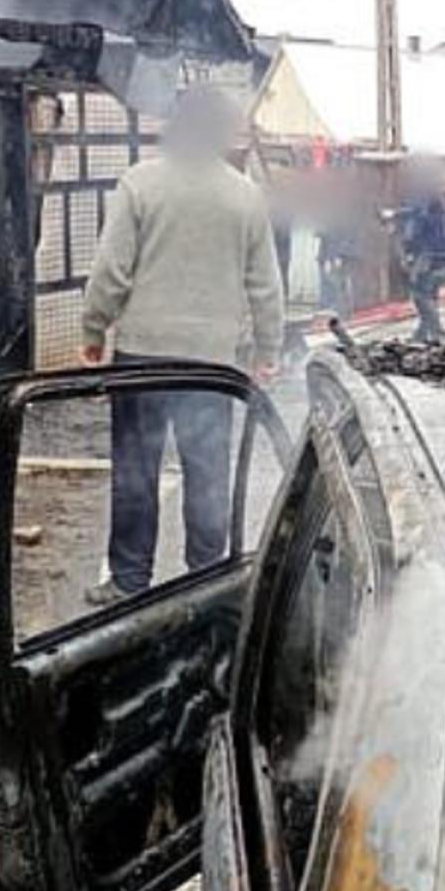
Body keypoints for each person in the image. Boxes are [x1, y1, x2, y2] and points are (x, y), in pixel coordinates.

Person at [79, 86, 285, 604]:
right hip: (212, 363)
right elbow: (265, 284)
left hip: (142, 356)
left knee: (135, 469)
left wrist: (94, 328)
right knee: (206, 471)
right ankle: (205, 580)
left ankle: (129, 582)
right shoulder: (245, 195)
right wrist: (267, 349)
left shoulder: (139, 184)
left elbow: (111, 269)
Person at [396, 159, 445, 345]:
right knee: (430, 293)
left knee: (420, 294)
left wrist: (397, 219)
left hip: (427, 253)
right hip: (441, 251)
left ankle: (438, 333)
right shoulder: (436, 196)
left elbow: (417, 219)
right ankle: (422, 333)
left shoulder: (423, 195)